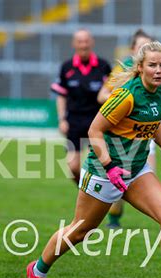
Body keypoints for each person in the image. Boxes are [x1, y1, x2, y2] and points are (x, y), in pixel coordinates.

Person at [27, 41, 161, 278]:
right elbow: (94, 131)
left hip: (135, 170)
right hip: (104, 172)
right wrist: (110, 167)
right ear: (140, 67)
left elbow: (153, 124)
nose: (159, 70)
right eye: (153, 65)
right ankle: (37, 270)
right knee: (80, 231)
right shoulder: (126, 96)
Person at [97, 29, 155, 228]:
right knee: (121, 183)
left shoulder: (154, 71)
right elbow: (101, 95)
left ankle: (160, 215)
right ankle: (114, 216)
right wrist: (122, 102)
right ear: (132, 50)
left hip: (146, 133)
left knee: (149, 175)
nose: (144, 50)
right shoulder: (123, 70)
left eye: (148, 46)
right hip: (124, 136)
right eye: (141, 46)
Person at [50, 28, 112, 183]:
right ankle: (85, 190)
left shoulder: (103, 66)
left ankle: (99, 196)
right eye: (80, 41)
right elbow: (61, 96)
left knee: (101, 166)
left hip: (97, 121)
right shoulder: (67, 67)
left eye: (86, 41)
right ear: (74, 44)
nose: (83, 45)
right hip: (74, 122)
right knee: (72, 167)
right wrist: (62, 119)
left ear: (91, 42)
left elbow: (113, 95)